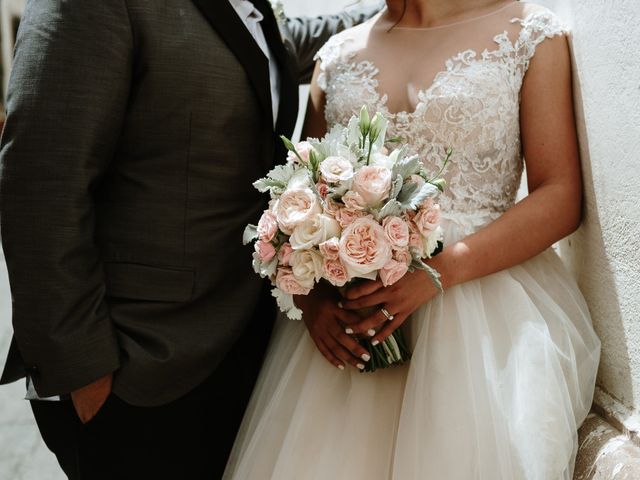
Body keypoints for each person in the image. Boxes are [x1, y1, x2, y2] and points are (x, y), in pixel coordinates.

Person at [0, 1, 378, 478]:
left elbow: (285, 42)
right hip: (140, 368)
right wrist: (86, 375)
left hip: (245, 352)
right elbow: (40, 186)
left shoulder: (250, 8)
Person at [224, 1, 601, 478]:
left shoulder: (529, 34)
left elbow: (561, 195)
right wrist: (316, 296)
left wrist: (440, 273)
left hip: (484, 316)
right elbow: (302, 190)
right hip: (351, 326)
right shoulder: (336, 57)